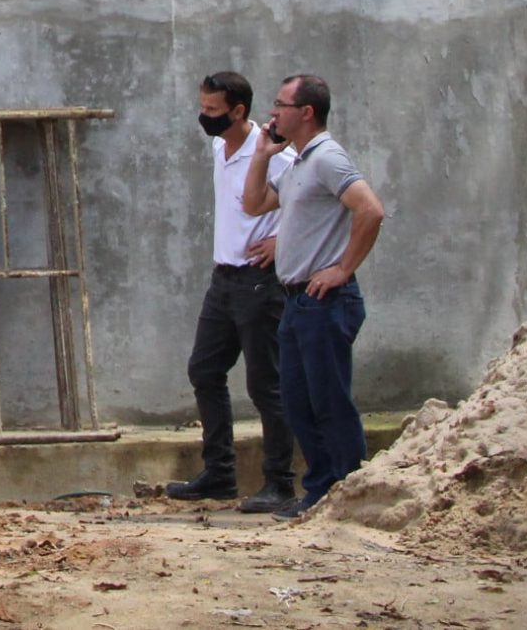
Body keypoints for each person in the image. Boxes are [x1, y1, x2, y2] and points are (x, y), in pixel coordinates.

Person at [243, 72, 387, 517]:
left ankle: (348, 490)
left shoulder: (327, 158)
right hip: (296, 300)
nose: (272, 113)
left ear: (306, 112)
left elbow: (371, 210)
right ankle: (321, 489)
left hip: (324, 301)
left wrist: (343, 268)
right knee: (298, 400)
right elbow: (252, 204)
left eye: (281, 105)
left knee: (328, 400)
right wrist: (263, 155)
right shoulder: (299, 164)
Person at [165, 71, 298, 513]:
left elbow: (317, 202)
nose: (205, 118)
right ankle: (219, 473)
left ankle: (280, 482)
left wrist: (283, 242)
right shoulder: (219, 147)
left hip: (260, 283)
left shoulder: (275, 155)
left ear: (239, 111)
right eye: (203, 108)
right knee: (204, 369)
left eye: (213, 111)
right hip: (223, 279)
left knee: (266, 385)